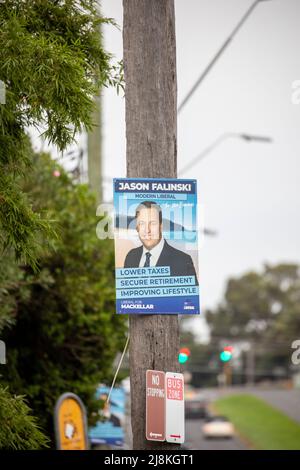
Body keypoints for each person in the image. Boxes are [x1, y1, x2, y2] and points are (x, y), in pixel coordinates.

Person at [124, 201, 198, 284]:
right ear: (137, 227)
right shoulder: (130, 257)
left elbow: (191, 296)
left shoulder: (183, 261)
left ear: (161, 226)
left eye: (152, 223)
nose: (147, 230)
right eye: (142, 223)